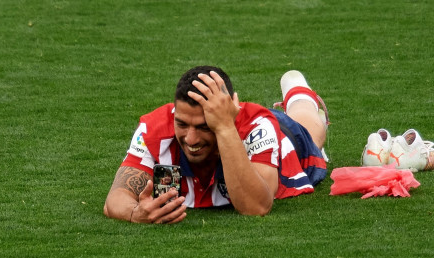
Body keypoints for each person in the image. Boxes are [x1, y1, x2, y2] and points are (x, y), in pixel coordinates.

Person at [103, 66, 329, 224]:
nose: (190, 139)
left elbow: (256, 207)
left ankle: (299, 93)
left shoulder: (256, 127)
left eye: (203, 126)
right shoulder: (155, 128)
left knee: (311, 131)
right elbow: (115, 198)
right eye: (182, 124)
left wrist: (224, 127)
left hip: (283, 134)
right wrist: (135, 213)